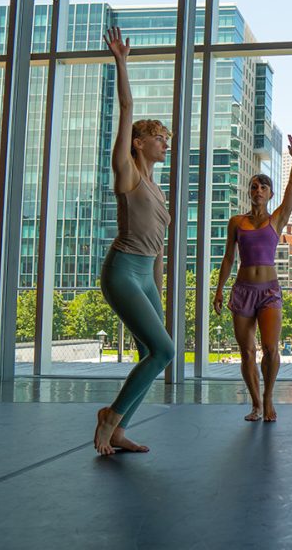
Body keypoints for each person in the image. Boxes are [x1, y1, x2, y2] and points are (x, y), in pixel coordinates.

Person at [93, 27, 174, 455]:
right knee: (165, 350)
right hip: (123, 270)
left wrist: (157, 290)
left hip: (145, 276)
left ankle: (120, 429)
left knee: (153, 352)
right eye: (159, 137)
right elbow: (126, 107)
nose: (166, 142)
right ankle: (110, 417)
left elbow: (159, 248)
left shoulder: (159, 189)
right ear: (139, 143)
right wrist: (121, 61)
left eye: (167, 138)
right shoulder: (127, 173)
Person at [213, 137, 292, 422]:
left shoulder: (276, 220)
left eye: (263, 186)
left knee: (271, 348)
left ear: (270, 194)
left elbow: (291, 189)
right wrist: (219, 290)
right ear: (249, 192)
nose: (258, 189)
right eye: (254, 186)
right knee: (247, 352)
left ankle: (268, 396)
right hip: (242, 290)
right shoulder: (237, 222)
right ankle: (255, 403)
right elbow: (228, 258)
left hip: (269, 291)